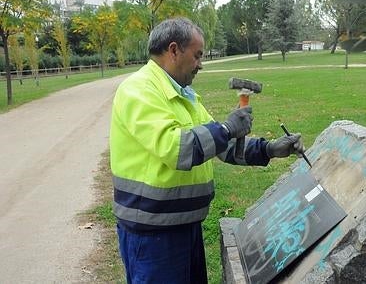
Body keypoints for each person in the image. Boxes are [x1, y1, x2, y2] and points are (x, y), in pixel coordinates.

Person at [109, 17, 304, 283]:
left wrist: (269, 149)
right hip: (152, 234)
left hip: (184, 225)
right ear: (174, 50)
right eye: (197, 55)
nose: (201, 64)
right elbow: (177, 149)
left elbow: (220, 148)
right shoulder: (138, 90)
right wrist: (226, 129)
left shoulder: (184, 95)